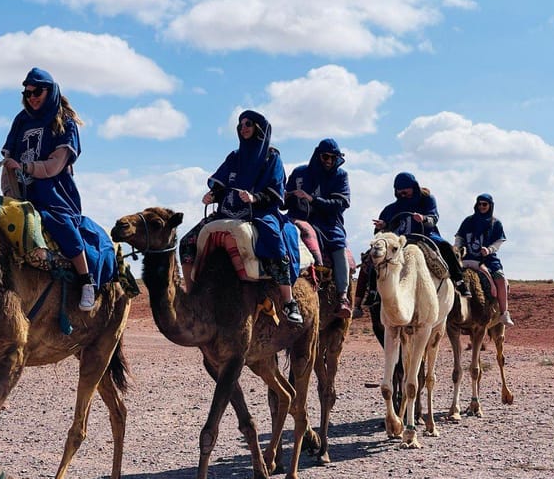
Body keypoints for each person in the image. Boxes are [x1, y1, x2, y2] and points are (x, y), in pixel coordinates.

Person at [179, 110, 304, 324]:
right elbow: (221, 184)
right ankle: (192, 297)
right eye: (241, 124)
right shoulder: (234, 157)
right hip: (227, 211)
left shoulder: (271, 158)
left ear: (259, 128)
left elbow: (275, 192)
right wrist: (212, 196)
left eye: (248, 124)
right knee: (187, 242)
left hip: (260, 212)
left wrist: (255, 198)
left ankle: (288, 301)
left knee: (274, 242)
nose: (243, 127)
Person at [1, 67, 105, 311]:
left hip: (54, 192)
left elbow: (55, 166)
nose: (32, 97)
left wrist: (25, 167)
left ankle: (86, 280)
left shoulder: (65, 122)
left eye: (37, 92)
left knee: (59, 222)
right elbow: (8, 162)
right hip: (22, 192)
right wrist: (9, 191)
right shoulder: (21, 120)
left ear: (50, 91)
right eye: (27, 93)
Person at [352, 171, 470, 318]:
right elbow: (382, 230)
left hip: (425, 236)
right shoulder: (391, 209)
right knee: (371, 257)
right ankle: (370, 293)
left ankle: (459, 281)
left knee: (446, 247)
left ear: (413, 187)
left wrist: (424, 219)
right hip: (399, 241)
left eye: (405, 191)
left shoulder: (427, 200)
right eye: (399, 192)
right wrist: (382, 225)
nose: (403, 194)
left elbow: (433, 218)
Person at [284, 138, 352, 318]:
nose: (329, 161)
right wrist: (285, 196)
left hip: (328, 223)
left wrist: (312, 199)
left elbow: (341, 203)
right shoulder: (299, 173)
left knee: (339, 246)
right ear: (317, 155)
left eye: (333, 157)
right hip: (296, 217)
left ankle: (343, 296)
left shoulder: (340, 176)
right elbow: (284, 202)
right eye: (325, 157)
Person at [454, 193, 514, 326]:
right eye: (479, 204)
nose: (481, 206)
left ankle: (504, 313)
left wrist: (489, 249)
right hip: (468, 257)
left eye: (484, 204)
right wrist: (456, 248)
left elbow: (499, 241)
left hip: (488, 259)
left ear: (490, 205)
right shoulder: (468, 221)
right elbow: (460, 237)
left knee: (500, 278)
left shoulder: (495, 223)